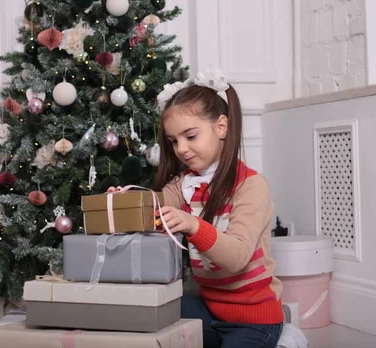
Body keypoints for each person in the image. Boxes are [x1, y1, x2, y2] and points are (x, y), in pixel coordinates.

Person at [110, 66, 284, 347]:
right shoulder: (184, 183)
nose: (181, 149)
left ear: (221, 127)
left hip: (254, 319)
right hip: (209, 310)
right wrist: (125, 199)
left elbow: (237, 256)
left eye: (190, 137)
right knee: (143, 316)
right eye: (173, 141)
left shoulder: (251, 186)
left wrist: (193, 225)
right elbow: (159, 201)